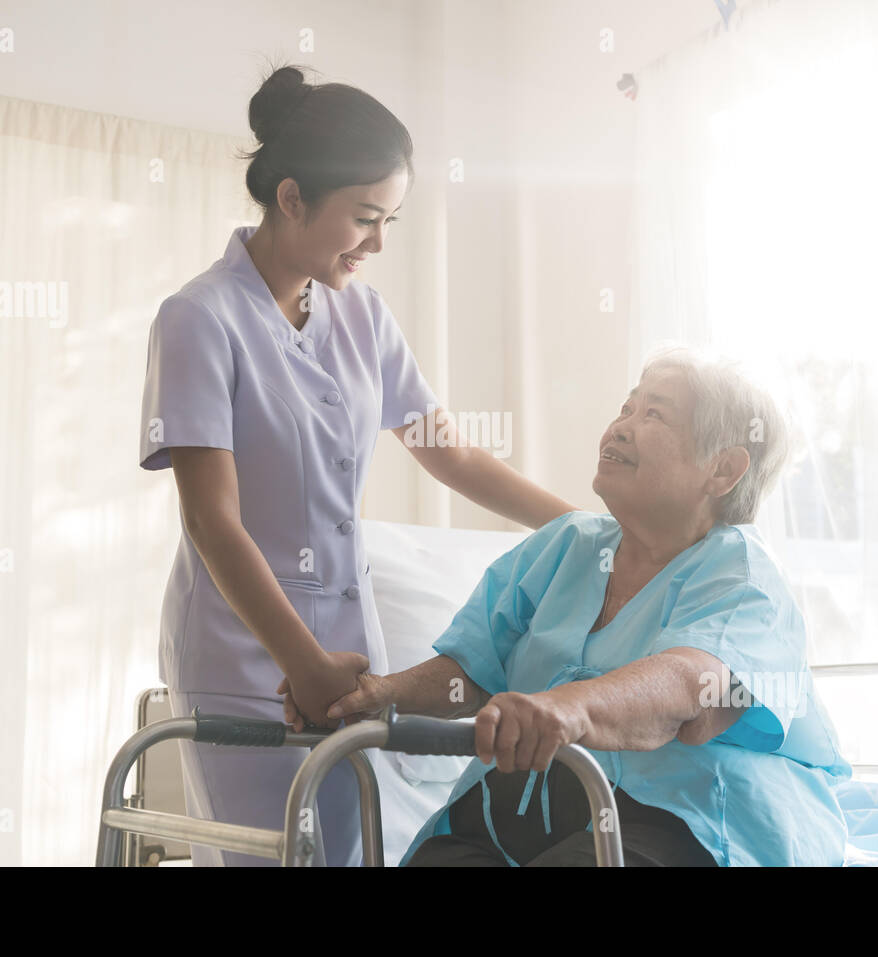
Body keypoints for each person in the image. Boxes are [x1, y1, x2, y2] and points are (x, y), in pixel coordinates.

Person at [138, 64, 577, 866]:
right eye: (365, 218)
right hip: (246, 650)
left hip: (348, 653)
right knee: (267, 857)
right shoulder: (198, 320)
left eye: (391, 221)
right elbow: (211, 519)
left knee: (349, 852)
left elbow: (450, 451)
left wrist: (583, 527)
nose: (377, 243)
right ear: (294, 198)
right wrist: (299, 663)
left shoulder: (360, 312)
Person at [309, 345, 853, 866]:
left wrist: (569, 707)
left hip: (690, 822)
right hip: (512, 817)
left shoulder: (741, 574)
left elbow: (692, 684)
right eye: (627, 406)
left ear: (723, 469)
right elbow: (470, 671)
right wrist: (377, 695)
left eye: (655, 415)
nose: (620, 425)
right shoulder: (565, 546)